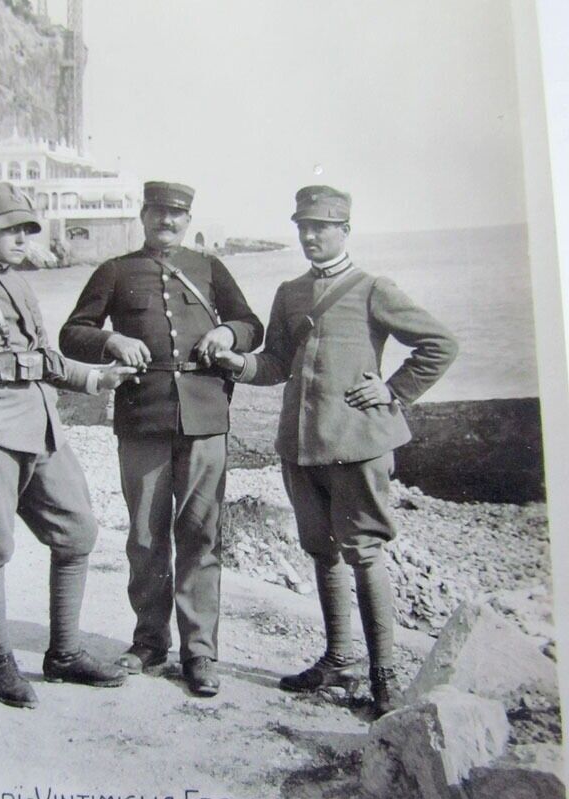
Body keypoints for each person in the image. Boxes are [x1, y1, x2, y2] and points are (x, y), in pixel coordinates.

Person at [215, 185, 458, 716]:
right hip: (300, 449)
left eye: (320, 226)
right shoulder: (289, 293)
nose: (308, 236)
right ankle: (340, 658)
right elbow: (276, 363)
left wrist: (393, 391)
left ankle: (384, 672)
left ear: (344, 230)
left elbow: (440, 344)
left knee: (364, 553)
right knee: (321, 552)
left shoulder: (373, 288)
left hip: (358, 447)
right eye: (302, 225)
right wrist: (237, 363)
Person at [0, 182, 138, 709]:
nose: (21, 238)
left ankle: (63, 653)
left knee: (78, 531)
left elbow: (42, 359)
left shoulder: (19, 285)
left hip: (41, 429)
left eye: (27, 229)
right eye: (11, 229)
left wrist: (97, 379)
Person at [59, 181, 263, 696]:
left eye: (177, 214)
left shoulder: (210, 268)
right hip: (142, 417)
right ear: (143, 215)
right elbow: (71, 333)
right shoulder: (115, 271)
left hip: (205, 417)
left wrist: (229, 336)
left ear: (188, 218)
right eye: (158, 212)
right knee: (147, 538)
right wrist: (112, 339)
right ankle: (149, 643)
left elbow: (252, 325)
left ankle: (200, 653)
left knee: (200, 535)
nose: (167, 222)